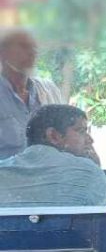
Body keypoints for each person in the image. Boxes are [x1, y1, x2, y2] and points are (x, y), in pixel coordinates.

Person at [0, 104, 106, 208]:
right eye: (81, 131)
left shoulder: (3, 169)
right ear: (53, 136)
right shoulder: (87, 171)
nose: (90, 140)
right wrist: (95, 167)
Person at [0, 28, 65, 159]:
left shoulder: (49, 90)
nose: (32, 53)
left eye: (34, 48)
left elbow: (67, 136)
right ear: (3, 53)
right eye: (24, 47)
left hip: (51, 170)